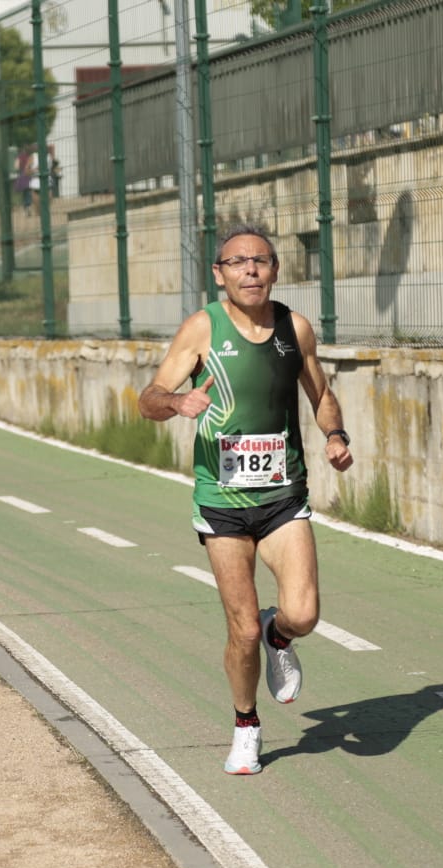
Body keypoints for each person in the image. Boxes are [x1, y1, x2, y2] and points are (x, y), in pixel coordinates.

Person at [138, 223, 354, 775]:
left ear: (275, 270)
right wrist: (175, 403)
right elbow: (149, 398)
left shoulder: (294, 328)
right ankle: (246, 725)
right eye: (237, 263)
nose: (250, 271)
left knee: (302, 613)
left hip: (283, 495)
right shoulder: (202, 329)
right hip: (223, 501)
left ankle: (282, 635)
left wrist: (335, 436)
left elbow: (322, 393)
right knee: (242, 630)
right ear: (220, 274)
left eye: (260, 261)